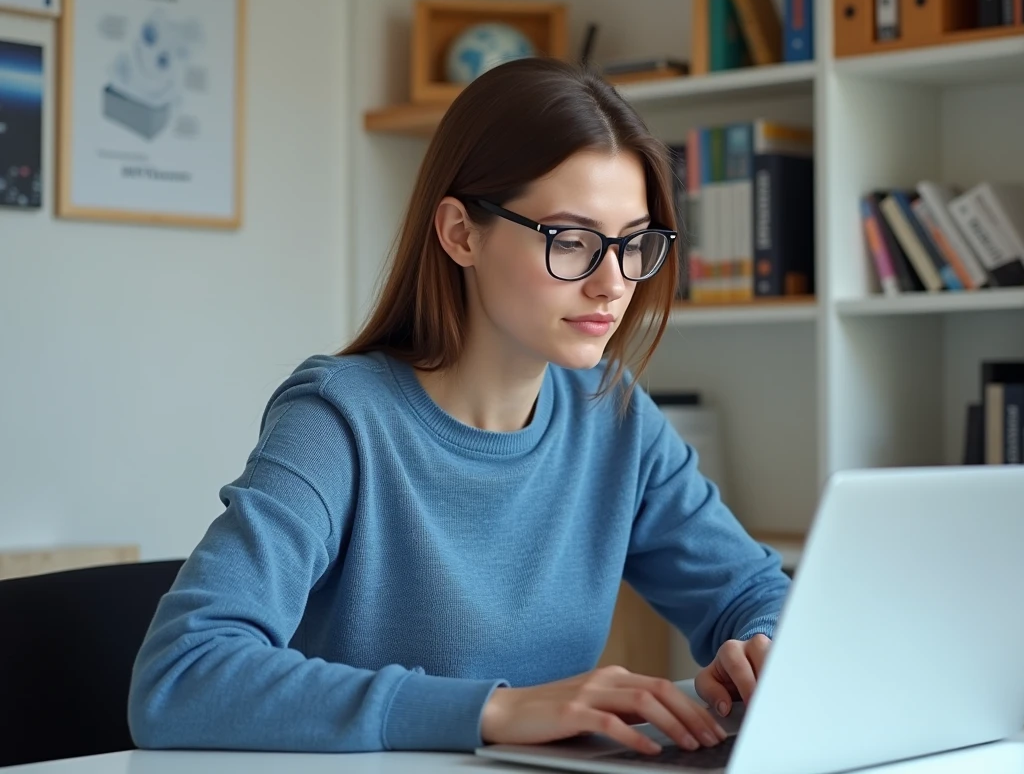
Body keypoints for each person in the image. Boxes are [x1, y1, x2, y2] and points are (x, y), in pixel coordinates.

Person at [127, 57, 791, 757]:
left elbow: (752, 591)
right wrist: (492, 713)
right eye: (571, 241)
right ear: (459, 234)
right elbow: (181, 675)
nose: (611, 283)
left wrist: (764, 649)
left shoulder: (614, 416)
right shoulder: (340, 421)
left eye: (633, 244)